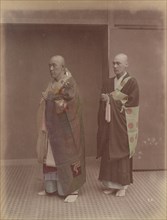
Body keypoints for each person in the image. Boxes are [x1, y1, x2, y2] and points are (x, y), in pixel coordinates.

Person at [36, 55, 86, 202]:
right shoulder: (53, 83)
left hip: (67, 129)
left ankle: (72, 189)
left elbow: (67, 103)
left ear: (63, 67)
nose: (51, 69)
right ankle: (51, 188)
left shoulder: (69, 83)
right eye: (49, 66)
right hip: (53, 127)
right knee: (51, 156)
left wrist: (49, 98)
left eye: (54, 66)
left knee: (68, 156)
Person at [97, 53, 139, 197]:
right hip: (110, 123)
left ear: (126, 64)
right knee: (109, 150)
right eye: (114, 63)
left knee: (121, 151)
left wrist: (110, 98)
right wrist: (105, 100)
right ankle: (110, 183)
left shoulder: (132, 82)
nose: (115, 66)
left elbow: (132, 104)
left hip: (122, 125)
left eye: (118, 63)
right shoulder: (108, 82)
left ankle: (123, 185)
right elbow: (103, 101)